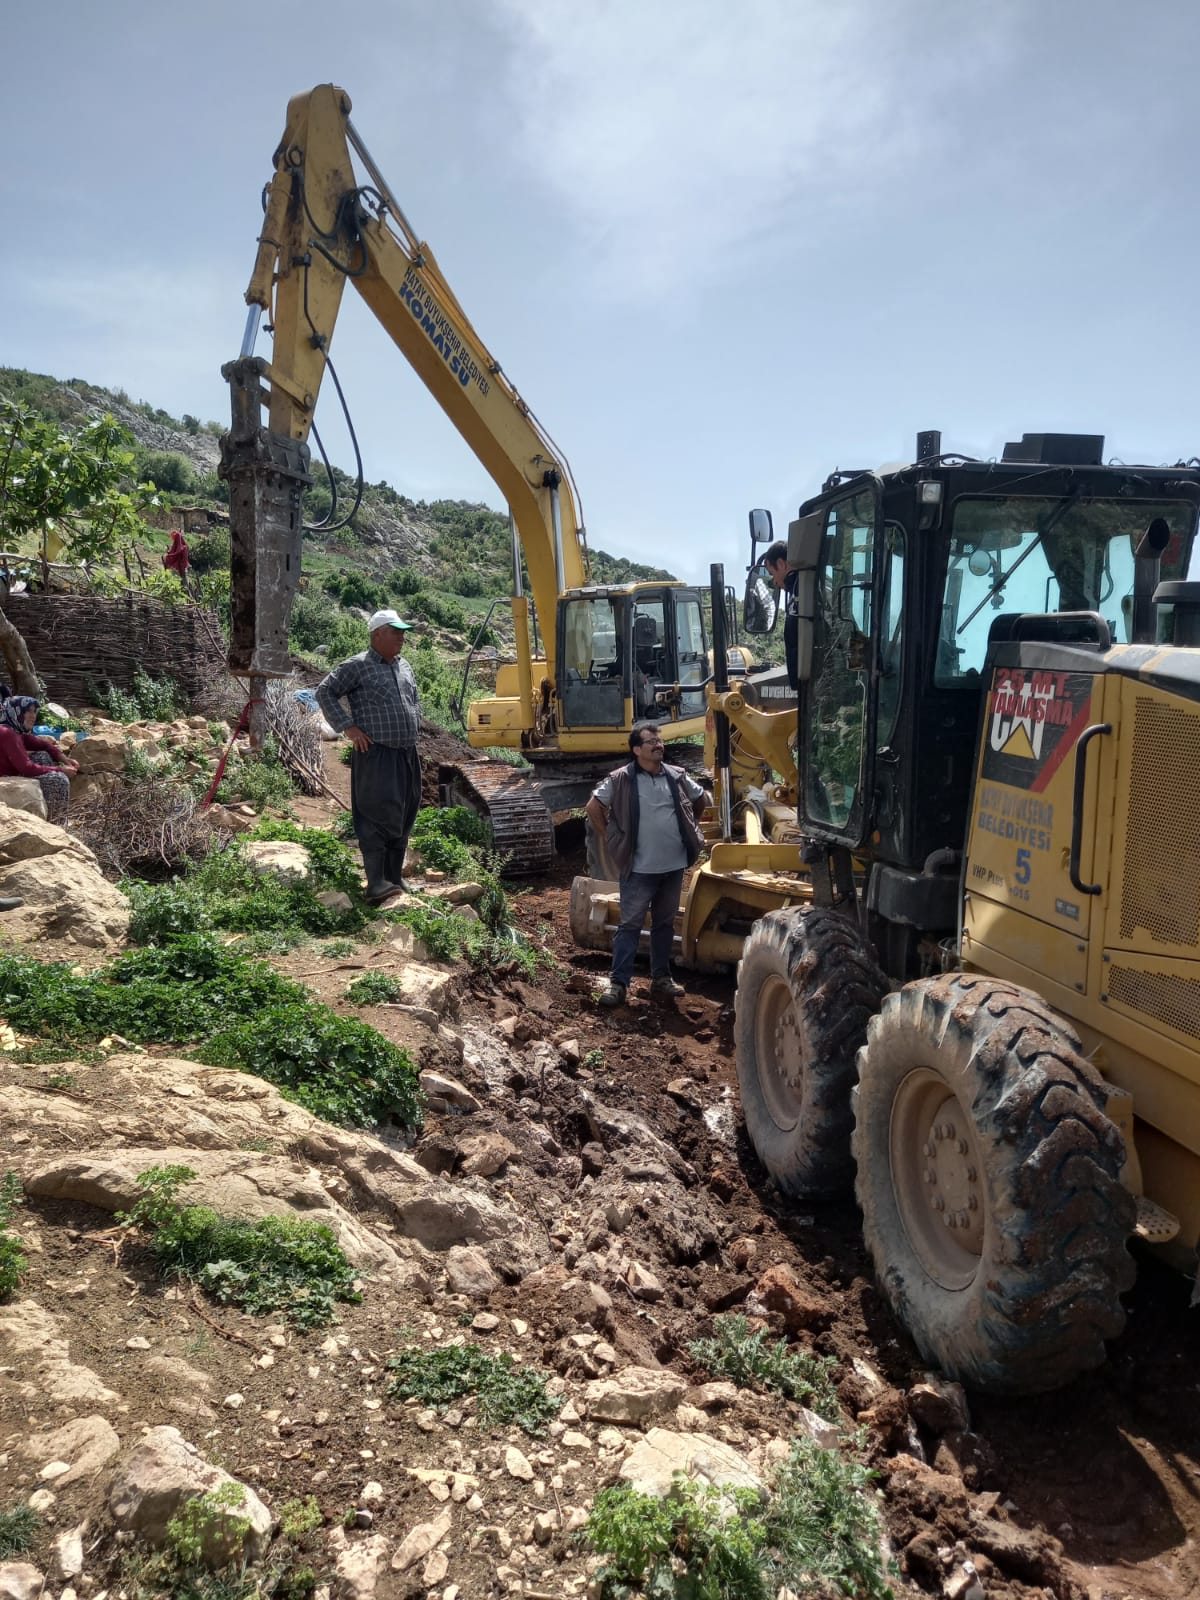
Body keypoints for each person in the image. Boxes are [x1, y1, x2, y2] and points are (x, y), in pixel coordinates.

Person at [585, 722, 708, 1008]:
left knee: (664, 924)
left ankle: (661, 978)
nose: (658, 745)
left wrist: (691, 828)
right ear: (637, 749)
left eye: (659, 741)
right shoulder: (621, 779)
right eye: (651, 741)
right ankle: (618, 985)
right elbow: (593, 807)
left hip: (673, 866)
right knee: (630, 925)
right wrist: (611, 838)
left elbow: (700, 799)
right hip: (639, 869)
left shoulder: (676, 776)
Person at [317, 608, 422, 904]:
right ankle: (375, 883)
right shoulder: (358, 666)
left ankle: (394, 877)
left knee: (404, 811)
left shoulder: (404, 666)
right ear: (377, 634)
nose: (402, 637)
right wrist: (348, 728)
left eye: (403, 632)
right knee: (377, 813)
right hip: (376, 754)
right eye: (395, 632)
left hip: (406, 753)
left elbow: (413, 702)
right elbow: (325, 692)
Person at [0, 695, 77, 826]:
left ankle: (46, 808)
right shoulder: (7, 733)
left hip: (13, 771)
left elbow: (44, 745)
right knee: (58, 779)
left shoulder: (16, 730)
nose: (33, 715)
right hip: (5, 777)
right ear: (16, 711)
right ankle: (56, 823)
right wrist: (60, 769)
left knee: (42, 755)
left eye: (34, 711)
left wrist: (65, 759)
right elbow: (26, 767)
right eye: (28, 711)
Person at [763, 539, 799, 690]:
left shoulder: (803, 592)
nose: (775, 582)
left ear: (781, 564)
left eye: (772, 573)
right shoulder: (797, 592)